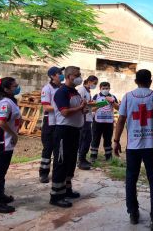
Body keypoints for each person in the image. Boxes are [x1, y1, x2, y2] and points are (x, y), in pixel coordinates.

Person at [114, 69, 153, 230]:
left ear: (135, 81)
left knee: (131, 179)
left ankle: (133, 213)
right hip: (151, 146)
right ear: (150, 81)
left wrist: (116, 140)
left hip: (133, 146)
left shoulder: (127, 97)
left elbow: (121, 120)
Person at [50, 66, 86, 208]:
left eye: (80, 74)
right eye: (77, 75)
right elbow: (64, 112)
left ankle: (67, 189)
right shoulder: (62, 92)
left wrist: (83, 109)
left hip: (74, 131)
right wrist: (79, 108)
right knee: (61, 162)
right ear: (69, 76)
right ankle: (56, 195)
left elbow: (77, 110)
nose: (79, 77)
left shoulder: (74, 92)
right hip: (63, 131)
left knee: (70, 161)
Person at [0, 77, 21, 213]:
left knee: (0, 173)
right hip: (2, 143)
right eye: (15, 86)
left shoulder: (7, 101)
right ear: (6, 89)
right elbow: (2, 123)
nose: (17, 87)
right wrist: (14, 135)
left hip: (5, 142)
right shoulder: (4, 103)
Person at [39, 67, 65, 183]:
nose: (61, 75)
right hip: (50, 123)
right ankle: (43, 173)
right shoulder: (47, 88)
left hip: (60, 123)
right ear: (53, 76)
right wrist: (61, 108)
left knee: (58, 149)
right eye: (59, 73)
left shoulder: (63, 88)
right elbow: (46, 107)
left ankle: (57, 173)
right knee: (48, 149)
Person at [90, 82, 119, 162]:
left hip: (108, 122)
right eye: (103, 88)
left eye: (107, 88)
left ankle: (108, 156)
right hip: (97, 122)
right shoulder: (96, 96)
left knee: (108, 139)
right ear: (100, 88)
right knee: (95, 138)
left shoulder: (113, 97)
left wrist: (112, 102)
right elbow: (91, 109)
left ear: (109, 88)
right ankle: (93, 156)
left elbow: (118, 108)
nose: (105, 90)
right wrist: (101, 104)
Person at [77, 75, 98, 170]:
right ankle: (81, 159)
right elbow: (79, 104)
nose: (95, 85)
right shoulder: (81, 90)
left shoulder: (88, 91)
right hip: (83, 118)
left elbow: (89, 107)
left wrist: (97, 105)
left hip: (88, 117)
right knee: (85, 139)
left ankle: (83, 158)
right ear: (89, 81)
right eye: (94, 83)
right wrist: (90, 104)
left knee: (87, 139)